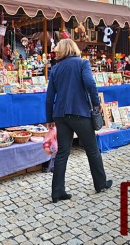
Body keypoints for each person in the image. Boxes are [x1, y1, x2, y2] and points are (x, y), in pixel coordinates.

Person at [45, 39, 112, 203]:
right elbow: (90, 84)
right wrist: (97, 104)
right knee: (92, 149)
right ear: (74, 48)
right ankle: (100, 183)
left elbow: (49, 97)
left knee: (62, 153)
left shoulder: (55, 68)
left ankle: (57, 192)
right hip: (80, 112)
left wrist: (49, 119)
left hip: (60, 114)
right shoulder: (82, 63)